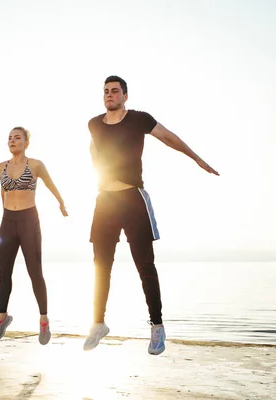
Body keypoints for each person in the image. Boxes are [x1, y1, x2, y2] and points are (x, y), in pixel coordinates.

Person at [83, 76, 219, 355]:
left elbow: (169, 138)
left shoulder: (139, 119)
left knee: (145, 265)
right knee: (101, 264)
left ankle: (157, 327)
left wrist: (196, 158)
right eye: (106, 92)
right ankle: (98, 323)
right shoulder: (94, 124)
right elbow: (94, 148)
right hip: (104, 201)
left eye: (115, 91)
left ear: (125, 96)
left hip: (133, 198)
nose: (110, 95)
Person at [0, 126, 68, 345]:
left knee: (35, 272)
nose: (12, 140)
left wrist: (61, 202)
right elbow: (3, 192)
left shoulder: (35, 165)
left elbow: (50, 184)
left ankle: (44, 320)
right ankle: (2, 317)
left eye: (17, 137)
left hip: (29, 222)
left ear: (26, 143)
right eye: (9, 138)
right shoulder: (0, 168)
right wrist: (5, 216)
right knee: (4, 272)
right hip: (7, 222)